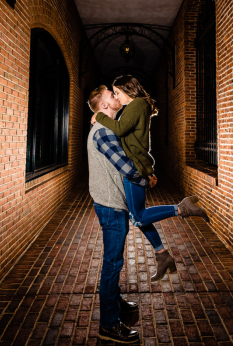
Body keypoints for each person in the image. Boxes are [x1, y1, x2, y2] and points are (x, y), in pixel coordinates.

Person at [90, 77, 209, 281]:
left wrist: (98, 117)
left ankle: (181, 208)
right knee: (138, 215)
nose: (116, 96)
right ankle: (162, 255)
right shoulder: (133, 107)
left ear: (127, 89)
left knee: (138, 216)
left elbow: (120, 130)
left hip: (136, 165)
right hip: (137, 163)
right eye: (113, 94)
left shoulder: (138, 104)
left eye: (117, 92)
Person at [87, 86, 145, 343]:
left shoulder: (107, 128)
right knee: (112, 265)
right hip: (110, 206)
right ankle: (109, 325)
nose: (115, 96)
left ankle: (116, 303)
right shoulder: (103, 132)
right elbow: (127, 168)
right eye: (111, 95)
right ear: (104, 106)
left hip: (109, 204)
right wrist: (147, 175)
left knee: (114, 262)